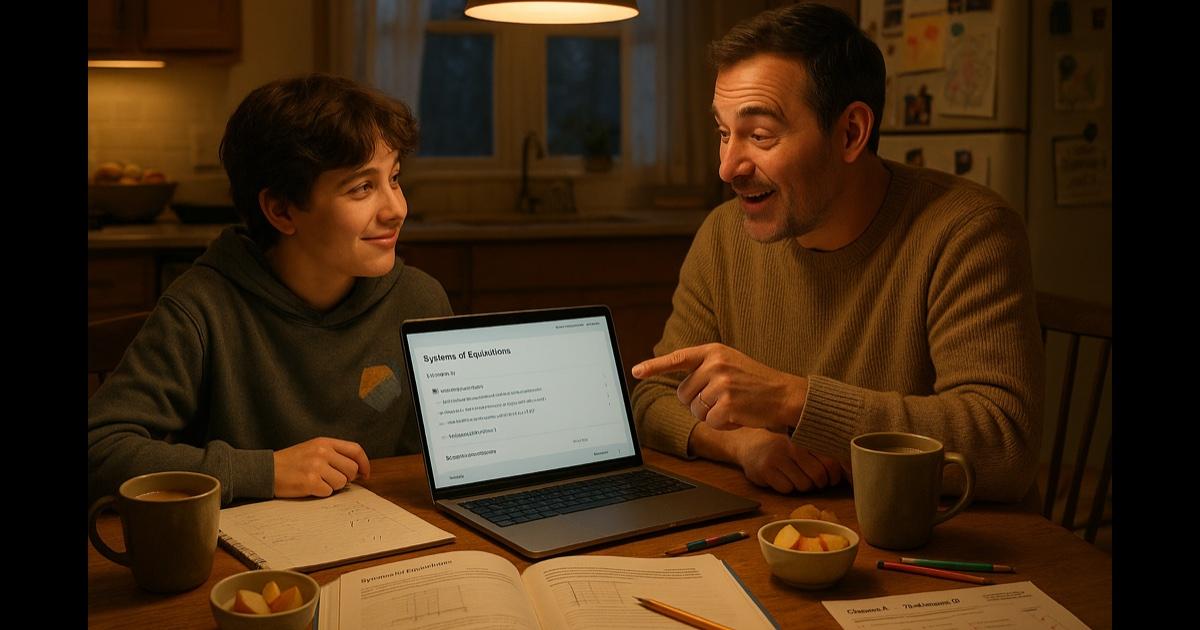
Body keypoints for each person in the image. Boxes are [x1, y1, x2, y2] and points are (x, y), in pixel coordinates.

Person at [629, 3, 1043, 503]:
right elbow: (653, 397)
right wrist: (745, 444)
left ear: (850, 133)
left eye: (759, 135)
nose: (728, 167)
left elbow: (1004, 444)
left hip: (938, 542)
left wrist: (791, 400)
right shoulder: (723, 236)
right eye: (723, 133)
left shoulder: (967, 232)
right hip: (782, 537)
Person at [88, 73, 452, 506]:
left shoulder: (419, 300)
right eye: (362, 187)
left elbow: (442, 459)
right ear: (281, 209)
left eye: (394, 178)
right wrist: (265, 471)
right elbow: (99, 450)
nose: (396, 209)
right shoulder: (202, 307)